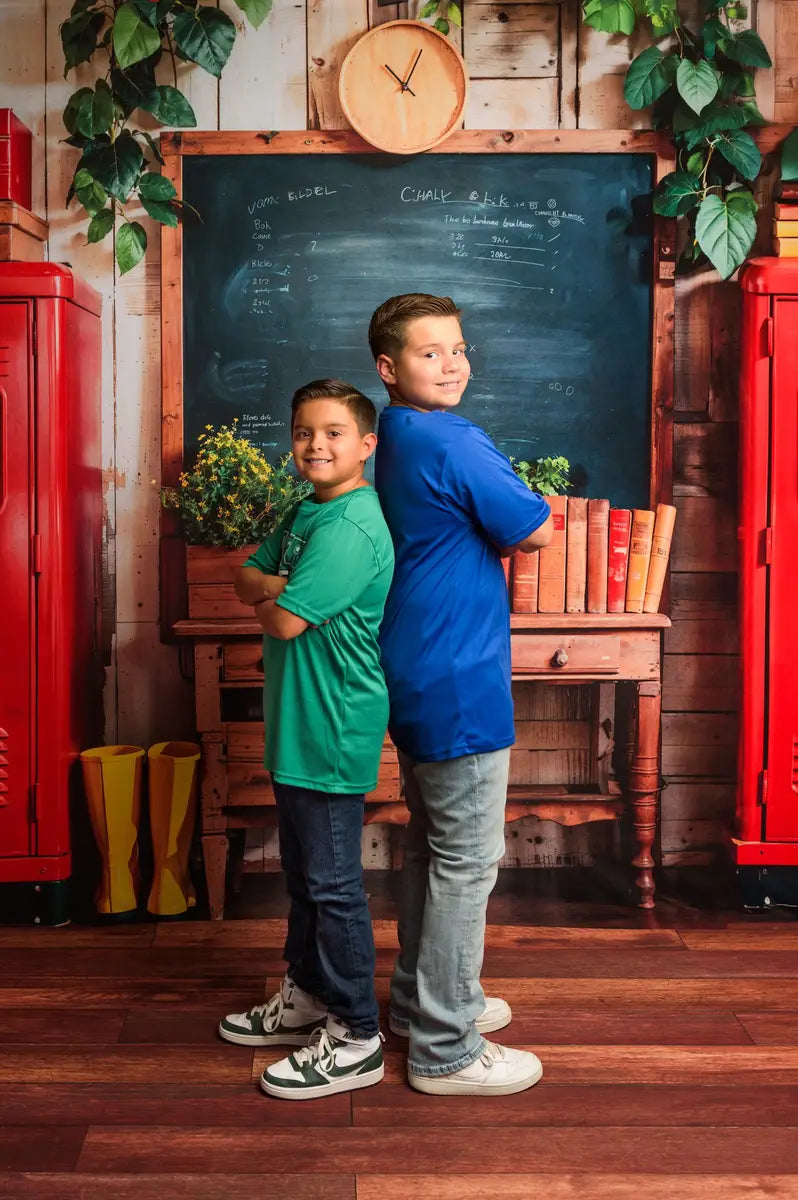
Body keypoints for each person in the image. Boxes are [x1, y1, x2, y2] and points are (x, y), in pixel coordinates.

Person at [369, 293, 554, 1097]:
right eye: (429, 352)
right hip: (458, 673)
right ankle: (446, 1046)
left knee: (433, 849)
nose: (452, 364)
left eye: (458, 348)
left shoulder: (397, 435)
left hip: (418, 662)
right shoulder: (451, 436)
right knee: (467, 860)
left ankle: (422, 1002)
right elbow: (533, 526)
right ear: (389, 368)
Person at [218, 378, 394, 1101]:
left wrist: (274, 591)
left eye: (332, 433)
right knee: (303, 878)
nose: (315, 445)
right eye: (302, 432)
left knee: (333, 886)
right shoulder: (305, 511)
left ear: (366, 444)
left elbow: (284, 619)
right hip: (297, 721)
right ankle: (309, 995)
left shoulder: (351, 528)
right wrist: (272, 585)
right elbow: (245, 577)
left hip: (331, 725)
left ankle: (358, 1034)